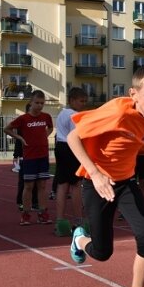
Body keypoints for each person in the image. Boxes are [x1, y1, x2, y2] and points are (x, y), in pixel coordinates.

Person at [67, 65, 144, 287]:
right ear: (133, 94)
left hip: (125, 183)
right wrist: (96, 173)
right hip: (96, 183)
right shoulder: (116, 112)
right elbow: (71, 138)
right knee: (101, 253)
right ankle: (80, 239)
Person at [5, 90, 53, 225]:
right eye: (37, 103)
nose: (39, 106)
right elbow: (7, 129)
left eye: (42, 103)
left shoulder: (46, 117)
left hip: (43, 155)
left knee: (42, 185)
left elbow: (50, 127)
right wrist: (20, 138)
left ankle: (42, 213)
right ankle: (25, 214)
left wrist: (45, 135)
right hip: (29, 157)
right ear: (30, 103)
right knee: (28, 186)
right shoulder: (23, 118)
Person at [54, 87, 88, 231]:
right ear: (72, 100)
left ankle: (60, 220)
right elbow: (77, 136)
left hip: (60, 146)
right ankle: (78, 220)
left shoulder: (62, 113)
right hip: (70, 148)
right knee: (75, 185)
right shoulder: (74, 115)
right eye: (81, 101)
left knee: (62, 185)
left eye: (85, 101)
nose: (83, 104)